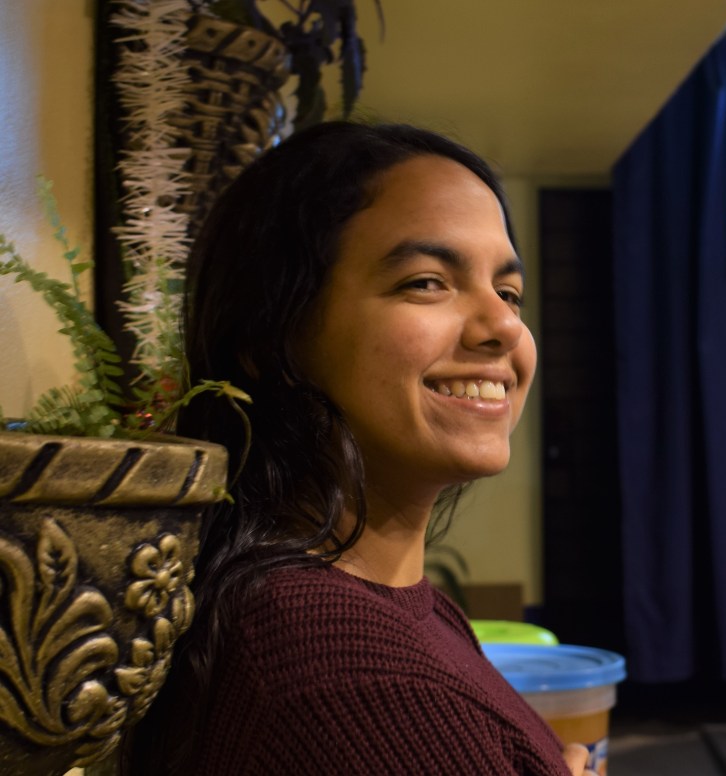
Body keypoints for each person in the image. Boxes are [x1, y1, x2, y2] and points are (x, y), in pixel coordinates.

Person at [127, 121, 595, 775]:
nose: (503, 327)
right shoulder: (347, 673)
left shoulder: (390, 604)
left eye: (508, 292)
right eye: (426, 282)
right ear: (273, 339)